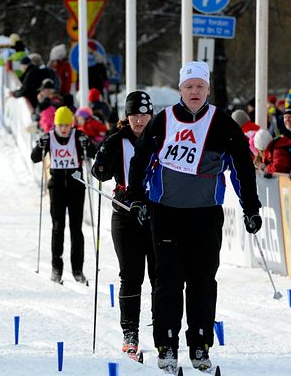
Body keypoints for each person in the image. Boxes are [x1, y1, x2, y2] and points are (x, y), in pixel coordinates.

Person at [125, 61, 261, 372]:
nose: (194, 91)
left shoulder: (223, 124)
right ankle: (167, 345)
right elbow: (141, 160)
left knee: (202, 281)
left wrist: (250, 208)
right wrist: (135, 198)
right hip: (167, 213)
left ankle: (200, 344)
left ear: (208, 89)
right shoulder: (162, 122)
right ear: (180, 90)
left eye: (200, 86)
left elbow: (242, 168)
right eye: (189, 86)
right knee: (168, 281)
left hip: (205, 215)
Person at [91, 91, 156, 361]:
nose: (139, 121)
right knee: (130, 276)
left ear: (151, 115)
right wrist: (102, 168)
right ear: (126, 117)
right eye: (134, 116)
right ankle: (130, 333)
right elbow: (98, 170)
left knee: (161, 275)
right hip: (125, 212)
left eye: (143, 115)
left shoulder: (161, 137)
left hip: (156, 214)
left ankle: (162, 329)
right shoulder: (116, 141)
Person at [31, 107, 95, 284]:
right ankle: (56, 268)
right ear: (56, 125)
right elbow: (35, 157)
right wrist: (40, 145)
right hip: (57, 187)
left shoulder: (78, 136)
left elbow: (93, 153)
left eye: (67, 125)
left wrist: (87, 144)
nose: (64, 128)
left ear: (72, 124)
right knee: (58, 227)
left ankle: (77, 270)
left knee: (76, 229)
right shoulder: (49, 137)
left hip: (76, 187)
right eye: (61, 125)